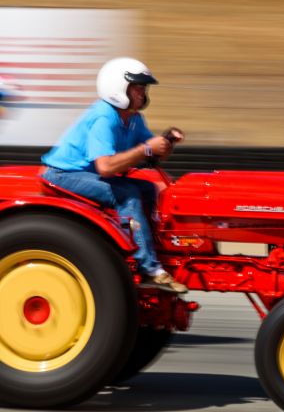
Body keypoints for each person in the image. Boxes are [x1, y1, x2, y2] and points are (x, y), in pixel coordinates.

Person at [41, 57, 187, 293]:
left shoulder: (134, 119)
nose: (143, 93)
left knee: (149, 188)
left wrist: (167, 142)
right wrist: (147, 149)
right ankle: (148, 268)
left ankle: (152, 248)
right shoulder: (104, 117)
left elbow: (150, 155)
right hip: (63, 174)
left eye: (143, 88)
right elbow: (106, 167)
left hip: (88, 175)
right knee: (127, 192)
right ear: (118, 88)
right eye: (138, 87)